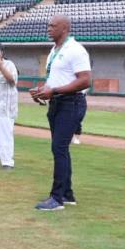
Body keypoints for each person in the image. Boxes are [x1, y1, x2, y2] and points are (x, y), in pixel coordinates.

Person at [31, 15, 91, 211]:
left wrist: (54, 91)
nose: (48, 28)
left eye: (53, 26)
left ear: (64, 28)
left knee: (59, 148)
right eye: (48, 25)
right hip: (57, 103)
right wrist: (43, 91)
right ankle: (67, 194)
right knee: (61, 149)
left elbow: (85, 80)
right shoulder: (54, 50)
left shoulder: (75, 50)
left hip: (71, 103)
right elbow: (56, 79)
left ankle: (56, 198)